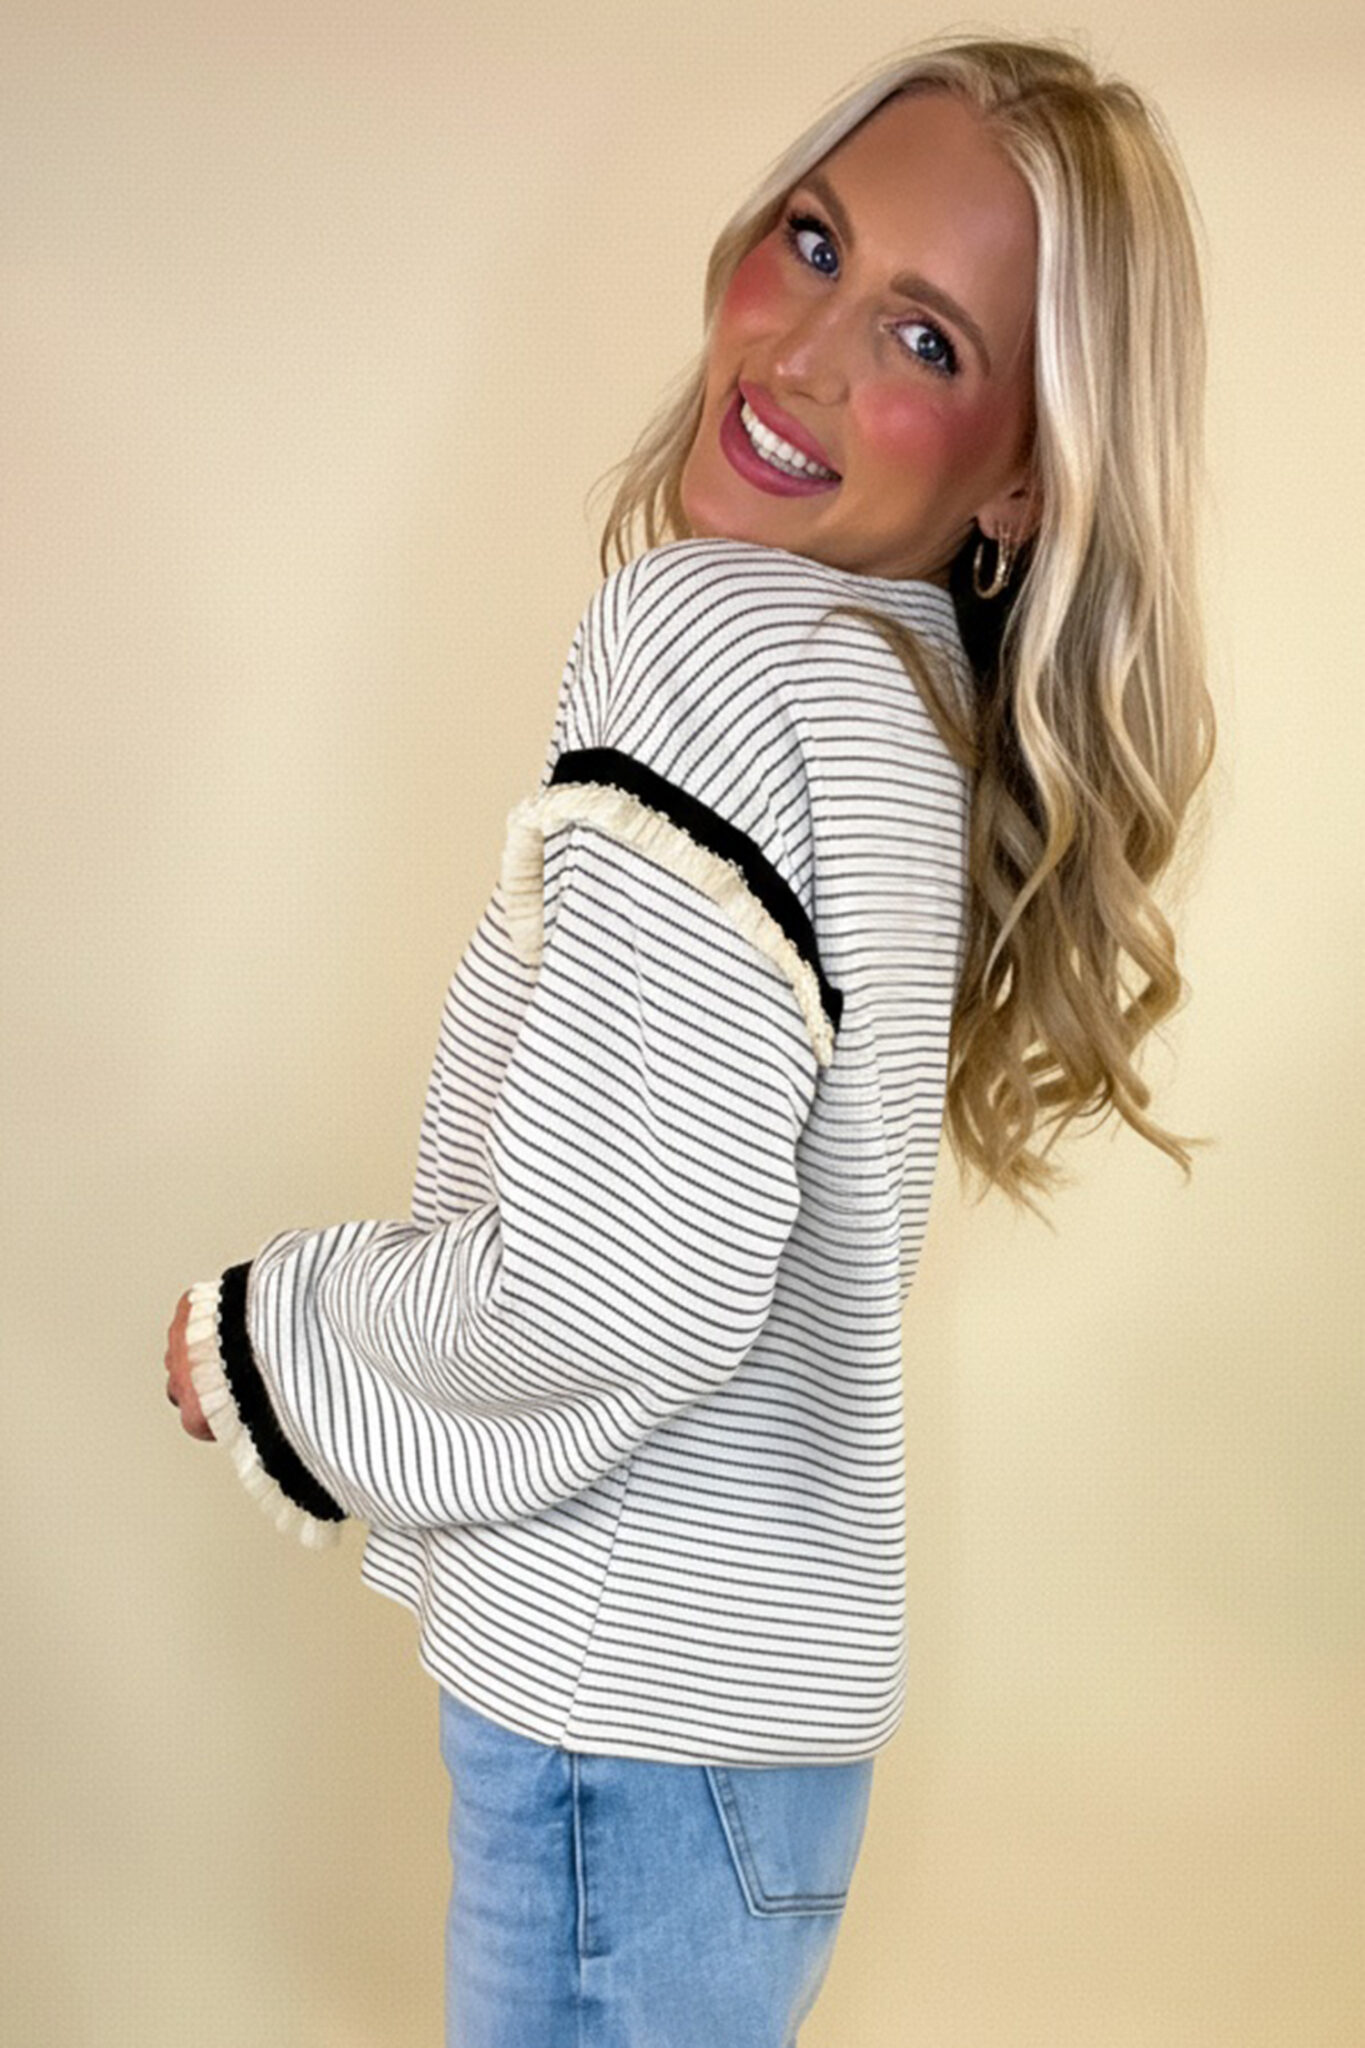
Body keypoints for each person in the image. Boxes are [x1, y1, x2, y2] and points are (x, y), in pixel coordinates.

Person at [163, 32, 1215, 2048]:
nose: (801, 354)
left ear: (1020, 473)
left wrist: (270, 1333)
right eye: (810, 242)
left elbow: (619, 1289)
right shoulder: (900, 701)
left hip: (622, 1726)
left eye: (922, 338)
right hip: (758, 1749)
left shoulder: (708, 648)